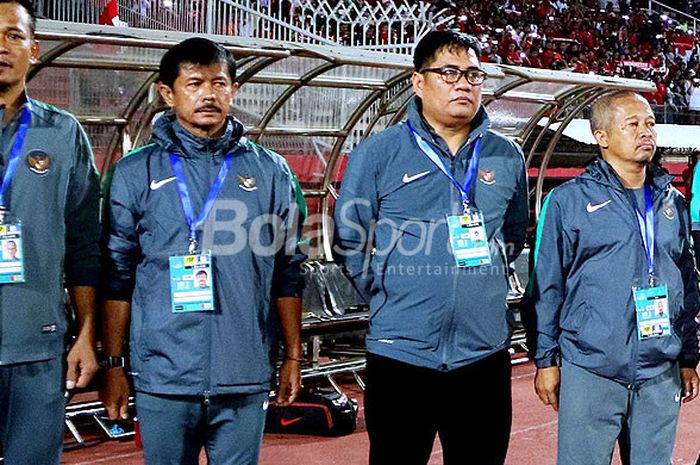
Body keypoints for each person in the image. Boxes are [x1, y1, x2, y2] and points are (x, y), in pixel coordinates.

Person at [99, 37, 306, 465]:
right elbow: (117, 272)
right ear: (167, 93)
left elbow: (288, 268)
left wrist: (292, 355)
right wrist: (114, 363)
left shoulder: (269, 171)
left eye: (219, 83)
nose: (208, 94)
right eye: (194, 83)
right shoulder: (136, 171)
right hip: (163, 376)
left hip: (243, 372)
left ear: (233, 90)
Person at [333, 30, 528, 465]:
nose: (464, 83)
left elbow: (514, 235)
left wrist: (482, 287)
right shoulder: (379, 152)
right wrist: (389, 292)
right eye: (449, 73)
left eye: (473, 74)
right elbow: (350, 239)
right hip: (401, 355)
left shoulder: (506, 155)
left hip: (483, 355)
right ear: (418, 82)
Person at [527, 91, 699, 465]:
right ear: (601, 136)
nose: (646, 132)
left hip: (660, 369)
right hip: (592, 367)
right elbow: (546, 287)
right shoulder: (568, 201)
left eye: (650, 124)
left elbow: (686, 281)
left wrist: (688, 355)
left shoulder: (673, 202)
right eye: (633, 124)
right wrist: (545, 360)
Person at [0, 1, 101, 463]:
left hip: (36, 345)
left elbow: (84, 243)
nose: (2, 46)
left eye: (13, 35)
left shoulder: (64, 134)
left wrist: (85, 334)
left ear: (34, 49)